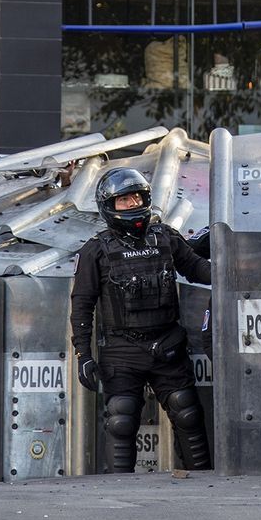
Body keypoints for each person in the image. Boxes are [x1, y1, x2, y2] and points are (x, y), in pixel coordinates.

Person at [71, 167, 213, 472]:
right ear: (110, 207)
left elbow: (196, 267)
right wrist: (83, 354)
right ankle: (122, 500)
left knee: (188, 414)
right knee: (121, 420)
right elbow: (82, 305)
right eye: (124, 200)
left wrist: (234, 266)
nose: (133, 204)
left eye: (137, 197)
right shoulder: (95, 250)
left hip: (167, 346)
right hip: (122, 352)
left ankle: (204, 486)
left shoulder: (165, 237)